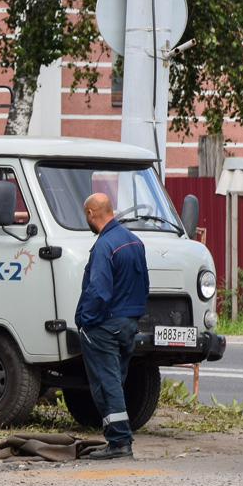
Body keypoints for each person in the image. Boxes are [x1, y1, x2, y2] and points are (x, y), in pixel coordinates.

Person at [75, 192, 150, 460]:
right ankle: (117, 439)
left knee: (106, 384)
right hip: (129, 322)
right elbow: (145, 287)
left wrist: (86, 321)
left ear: (91, 214)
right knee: (116, 380)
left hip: (104, 325)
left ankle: (118, 442)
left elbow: (98, 291)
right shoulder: (134, 241)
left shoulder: (104, 245)